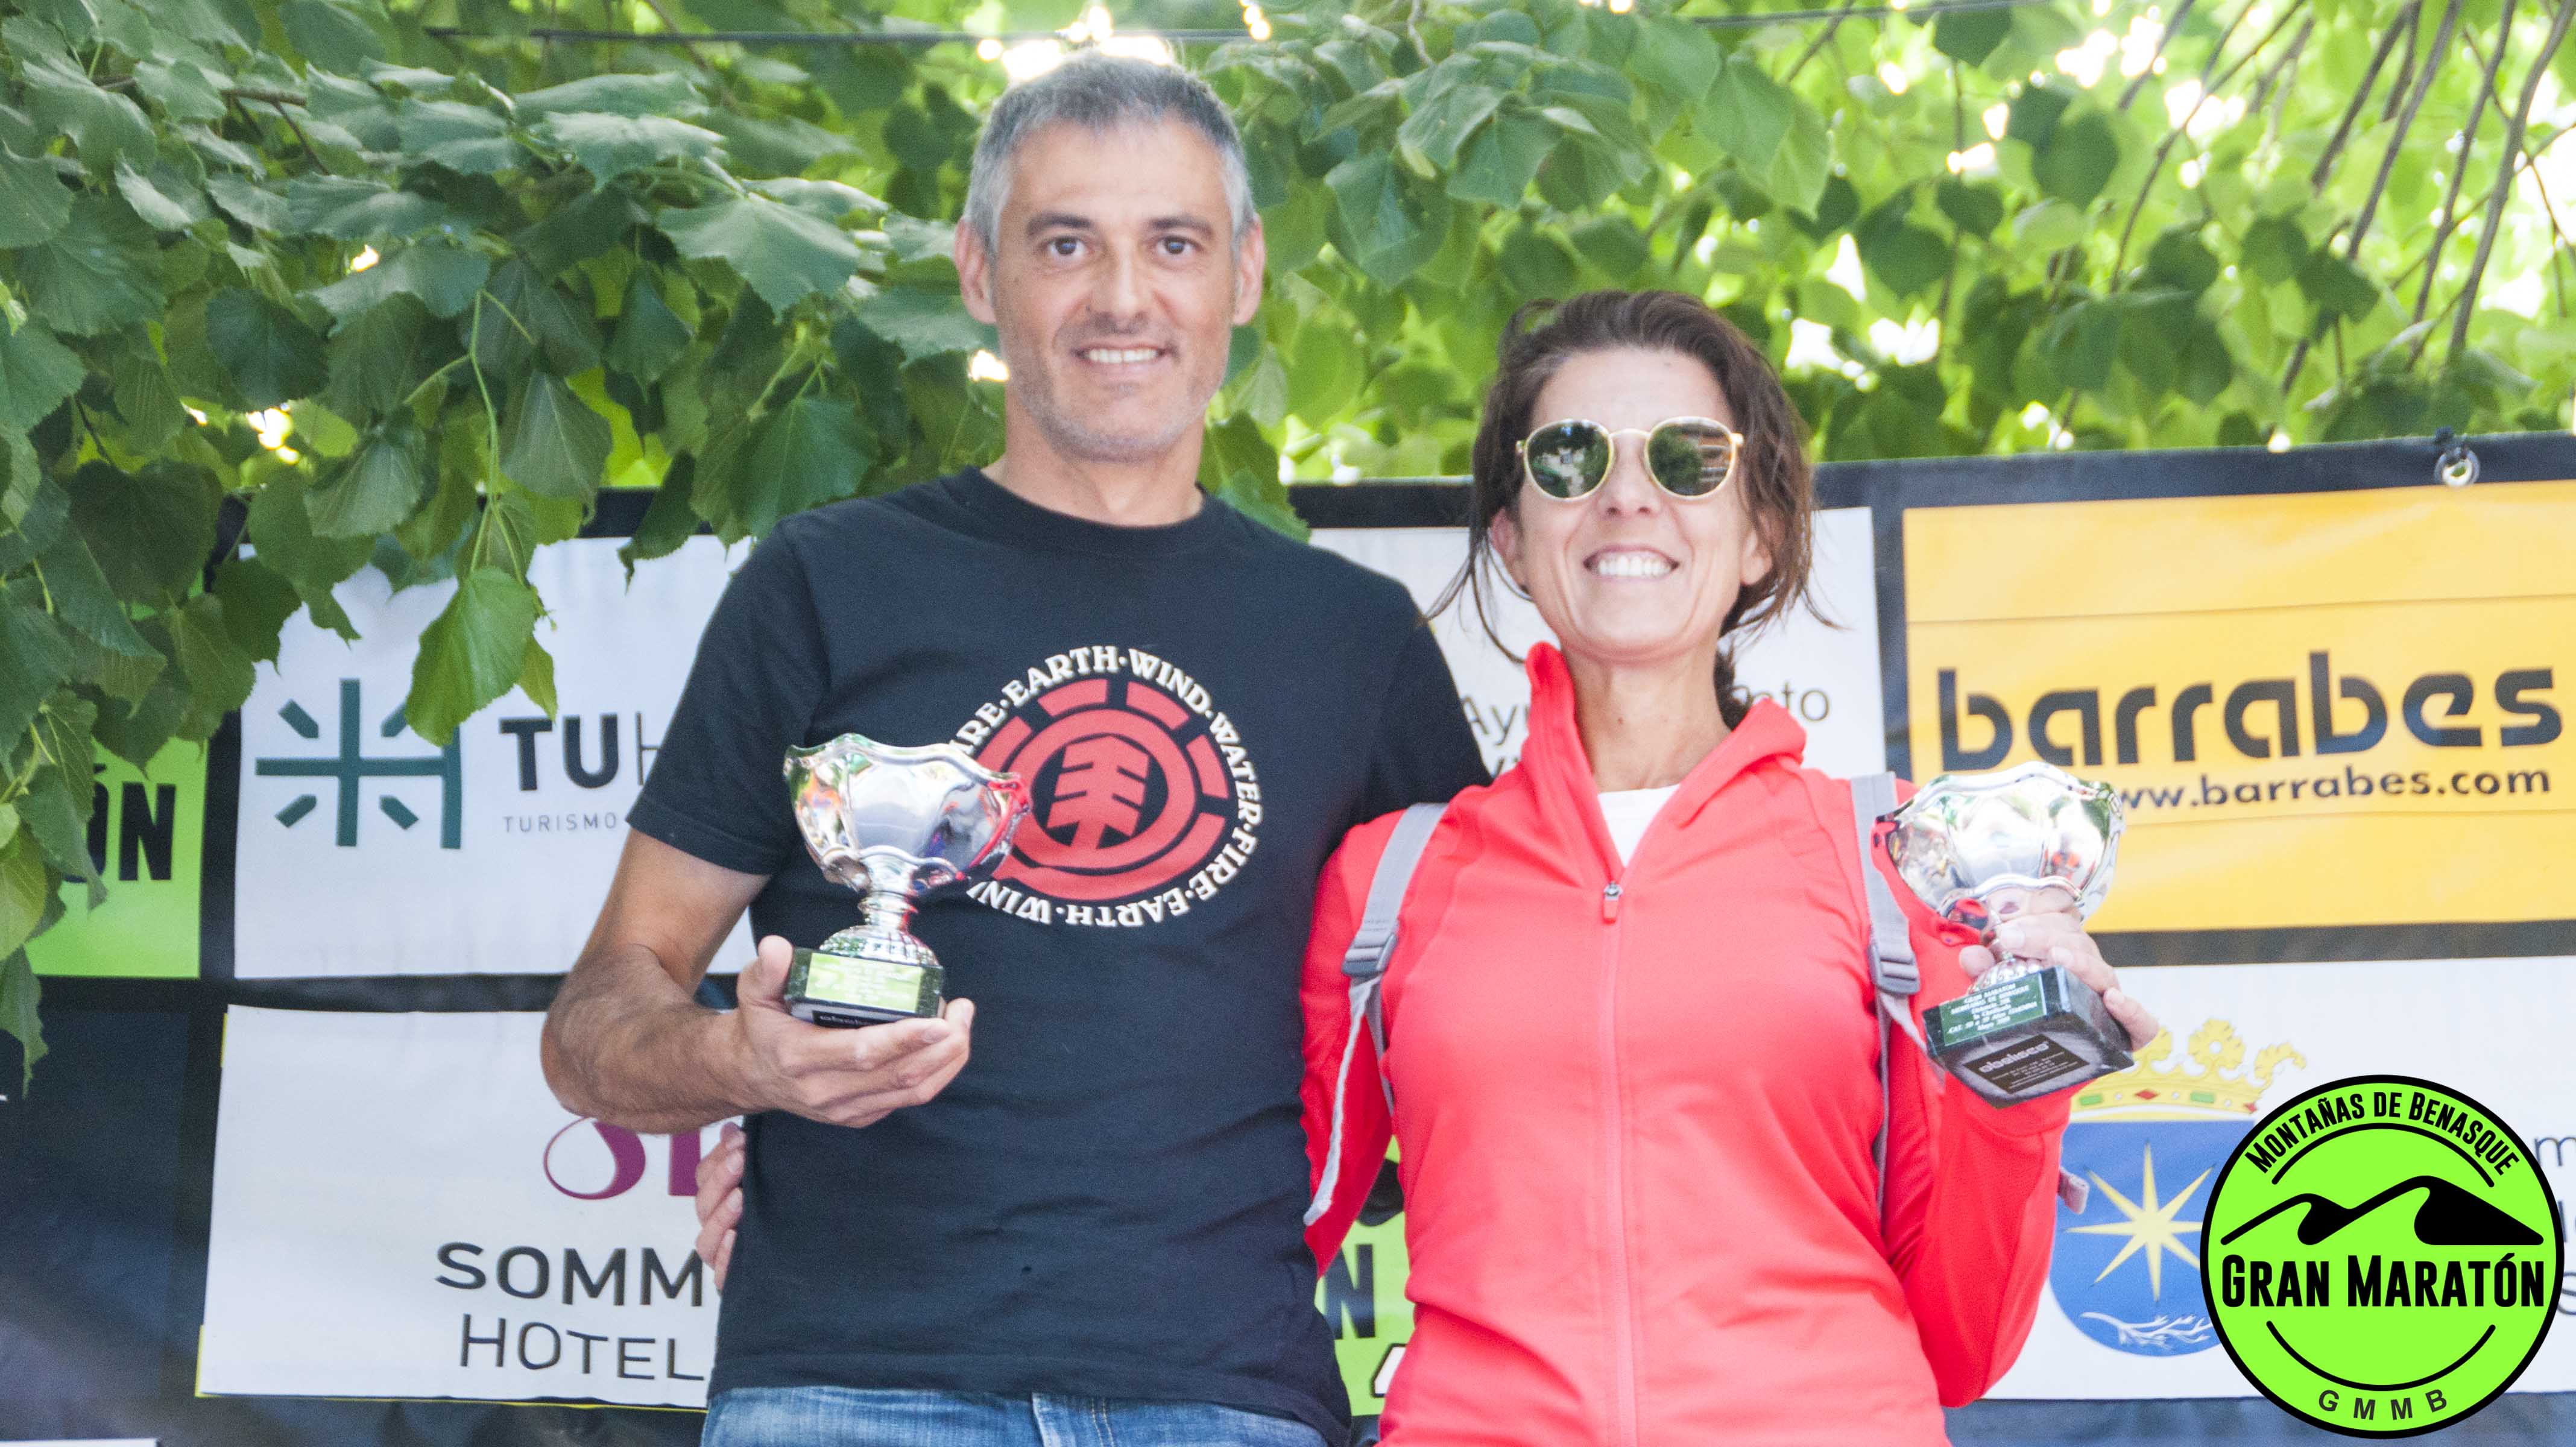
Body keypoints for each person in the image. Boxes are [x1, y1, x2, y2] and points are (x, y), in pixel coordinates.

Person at [542, 53, 1486, 1447]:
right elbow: (592, 1026)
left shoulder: (1356, 640)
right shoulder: (824, 582)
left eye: (1175, 244)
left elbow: (1488, 1044)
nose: (1124, 297)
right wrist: (744, 1064)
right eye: (1066, 244)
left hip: (1222, 1395)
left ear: (1244, 275)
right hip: (848, 1387)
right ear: (980, 273)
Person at [1295, 289, 2164, 1445]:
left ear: (1760, 535)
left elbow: (1963, 1345)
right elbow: (1254, 1253)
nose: (1627, 493)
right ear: (1511, 536)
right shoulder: (1390, 881)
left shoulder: (1896, 861)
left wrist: (2021, 1094)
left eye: (1689, 458)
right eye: (1570, 456)